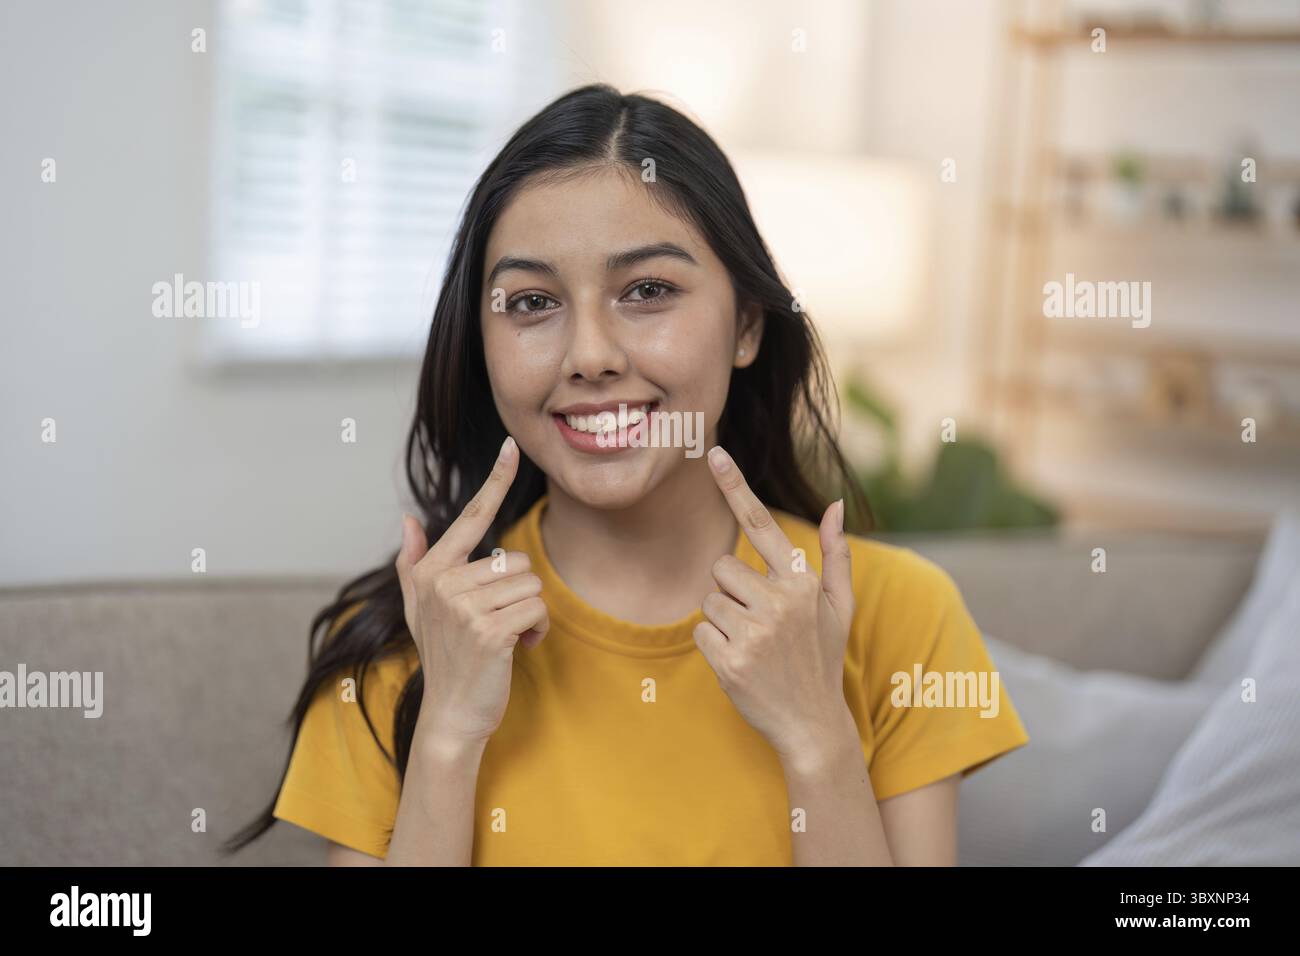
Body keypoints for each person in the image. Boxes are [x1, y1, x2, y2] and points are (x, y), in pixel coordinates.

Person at [225, 83, 1028, 866]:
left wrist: (817, 737)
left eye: (647, 290)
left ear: (747, 326)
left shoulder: (900, 616)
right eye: (531, 303)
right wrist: (446, 733)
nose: (590, 356)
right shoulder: (402, 639)